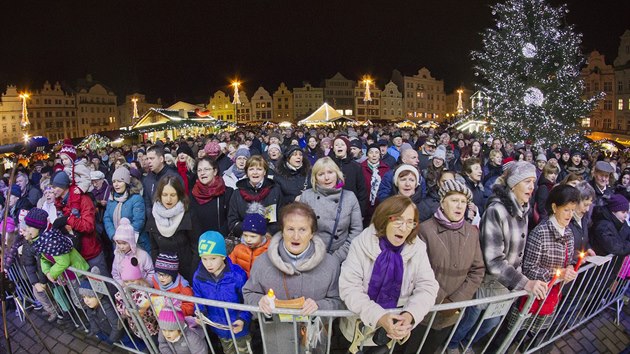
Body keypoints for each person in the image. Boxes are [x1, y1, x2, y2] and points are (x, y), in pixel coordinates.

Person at [449, 161, 547, 350]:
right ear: (513, 183)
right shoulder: (497, 211)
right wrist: (525, 283)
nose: (532, 187)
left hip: (508, 286)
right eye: (527, 181)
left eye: (533, 182)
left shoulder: (523, 210)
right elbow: (493, 260)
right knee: (470, 320)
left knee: (490, 324)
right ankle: (452, 344)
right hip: (489, 284)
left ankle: (465, 343)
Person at [338, 195, 439, 352]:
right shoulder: (361, 243)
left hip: (395, 332)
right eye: (398, 220)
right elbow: (349, 288)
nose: (404, 228)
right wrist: (379, 317)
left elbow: (428, 286)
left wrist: (410, 315)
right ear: (384, 219)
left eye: (410, 222)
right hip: (358, 329)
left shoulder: (417, 248)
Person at [243, 202, 343, 353]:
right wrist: (259, 302)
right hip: (276, 343)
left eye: (302, 229)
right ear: (282, 231)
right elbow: (249, 293)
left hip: (313, 343)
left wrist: (319, 306)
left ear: (312, 233)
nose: (296, 236)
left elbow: (338, 301)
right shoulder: (262, 262)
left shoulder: (331, 264)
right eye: (290, 229)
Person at [412, 180, 485, 354]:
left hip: (451, 314)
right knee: (412, 347)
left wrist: (456, 301)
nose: (459, 206)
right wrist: (441, 301)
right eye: (454, 200)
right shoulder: (425, 230)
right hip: (424, 309)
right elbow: (417, 272)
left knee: (431, 347)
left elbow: (477, 270)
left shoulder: (472, 232)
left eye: (463, 202)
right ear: (442, 202)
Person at [504, 185, 580, 340]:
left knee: (535, 330)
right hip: (534, 295)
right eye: (566, 210)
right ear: (554, 207)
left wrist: (571, 266)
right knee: (516, 331)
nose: (570, 215)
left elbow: (569, 258)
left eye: (573, 210)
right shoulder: (540, 233)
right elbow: (529, 269)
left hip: (552, 294)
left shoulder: (569, 231)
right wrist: (558, 274)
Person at [193, 231, 251, 354]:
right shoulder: (198, 277)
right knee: (228, 351)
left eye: (213, 258)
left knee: (244, 351)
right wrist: (200, 314)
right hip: (219, 328)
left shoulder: (237, 275)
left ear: (223, 256)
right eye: (204, 259)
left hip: (239, 328)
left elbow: (247, 299)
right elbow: (198, 299)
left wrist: (243, 319)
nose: (208, 264)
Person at [298, 157, 363, 262]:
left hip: (342, 256)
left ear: (337, 174)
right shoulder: (307, 196)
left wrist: (337, 257)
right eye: (321, 174)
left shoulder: (350, 197)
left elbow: (356, 231)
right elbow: (300, 229)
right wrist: (314, 254)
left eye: (330, 172)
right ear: (315, 178)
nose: (326, 178)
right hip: (312, 255)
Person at [51, 170, 109, 277]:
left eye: (55, 187)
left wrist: (68, 220)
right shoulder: (60, 204)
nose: (53, 190)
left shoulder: (83, 199)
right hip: (76, 254)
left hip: (91, 252)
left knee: (104, 287)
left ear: (64, 186)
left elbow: (88, 226)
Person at [145, 176, 198, 283]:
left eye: (173, 195)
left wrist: (193, 274)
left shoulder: (188, 214)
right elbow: (154, 248)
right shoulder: (154, 215)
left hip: (186, 272)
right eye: (165, 195)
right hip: (164, 275)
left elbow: (196, 247)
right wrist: (160, 273)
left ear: (179, 195)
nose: (168, 199)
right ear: (159, 195)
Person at [227, 156, 280, 238]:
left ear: (265, 172)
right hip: (245, 239)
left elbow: (280, 219)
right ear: (247, 172)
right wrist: (250, 233)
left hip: (269, 239)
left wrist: (265, 234)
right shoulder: (237, 193)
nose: (255, 172)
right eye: (251, 169)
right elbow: (232, 221)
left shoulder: (275, 191)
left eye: (259, 169)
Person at [21, 208, 58, 323]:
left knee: (56, 294)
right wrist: (35, 282)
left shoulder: (43, 241)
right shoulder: (27, 243)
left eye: (26, 230)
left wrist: (42, 282)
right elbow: (29, 264)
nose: (23, 233)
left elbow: (42, 263)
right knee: (38, 292)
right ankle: (52, 310)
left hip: (50, 274)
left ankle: (58, 311)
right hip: (41, 275)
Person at [104, 167, 150, 254]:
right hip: (118, 243)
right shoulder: (111, 199)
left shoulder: (136, 198)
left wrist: (124, 238)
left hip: (137, 243)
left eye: (119, 181)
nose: (116, 184)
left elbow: (138, 222)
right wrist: (114, 235)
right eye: (114, 182)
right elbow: (107, 219)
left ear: (126, 182)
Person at [190, 157, 232, 237]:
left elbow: (230, 219)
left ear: (215, 171)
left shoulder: (227, 193)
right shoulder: (192, 194)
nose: (202, 173)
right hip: (199, 242)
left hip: (220, 240)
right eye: (199, 170)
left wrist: (218, 237)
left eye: (206, 169)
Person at [330, 135, 368, 217]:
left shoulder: (356, 166)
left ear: (347, 148)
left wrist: (361, 212)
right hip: (330, 207)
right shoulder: (328, 165)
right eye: (337, 145)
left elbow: (362, 190)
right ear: (333, 148)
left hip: (351, 208)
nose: (339, 146)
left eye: (342, 144)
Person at [229, 203, 270, 277]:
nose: (248, 240)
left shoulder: (269, 251)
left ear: (262, 235)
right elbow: (230, 266)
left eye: (253, 236)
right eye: (245, 235)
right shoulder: (238, 249)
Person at [79, 274, 123, 345]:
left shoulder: (107, 307)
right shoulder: (89, 307)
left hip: (121, 334)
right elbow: (91, 320)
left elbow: (117, 325)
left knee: (133, 344)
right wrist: (98, 332)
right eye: (84, 297)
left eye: (90, 297)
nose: (86, 301)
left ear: (99, 296)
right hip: (108, 332)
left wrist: (111, 339)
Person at [142, 145, 183, 218]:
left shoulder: (174, 176)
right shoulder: (147, 179)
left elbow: (181, 200)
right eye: (148, 159)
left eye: (152, 158)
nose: (149, 162)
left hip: (173, 219)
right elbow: (147, 203)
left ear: (161, 159)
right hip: (154, 221)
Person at [111, 218, 154, 285]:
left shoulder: (143, 255)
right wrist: (122, 284)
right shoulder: (118, 256)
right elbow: (115, 273)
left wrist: (146, 285)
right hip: (125, 289)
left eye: (124, 243)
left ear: (131, 242)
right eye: (119, 243)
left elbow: (151, 271)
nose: (121, 247)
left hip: (142, 290)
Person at [361, 144, 391, 223]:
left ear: (379, 155)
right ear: (367, 154)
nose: (374, 155)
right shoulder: (360, 168)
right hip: (365, 206)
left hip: (381, 205)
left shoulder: (386, 169)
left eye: (376, 153)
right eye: (371, 152)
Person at [570, 181, 597, 260]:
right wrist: (576, 257)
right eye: (585, 205)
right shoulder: (566, 221)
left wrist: (588, 248)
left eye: (589, 205)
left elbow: (583, 239)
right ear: (575, 201)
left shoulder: (584, 219)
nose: (588, 209)